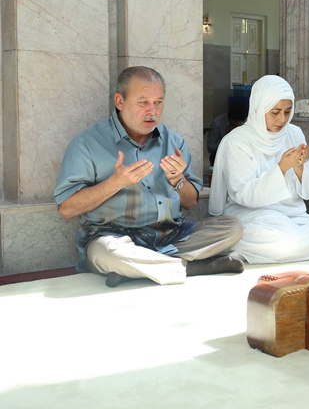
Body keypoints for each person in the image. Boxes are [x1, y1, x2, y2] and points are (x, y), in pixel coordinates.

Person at [55, 66, 245, 288]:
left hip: (171, 236)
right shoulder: (88, 143)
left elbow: (191, 202)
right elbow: (66, 209)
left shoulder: (173, 142)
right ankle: (191, 267)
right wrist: (115, 183)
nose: (152, 111)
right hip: (114, 238)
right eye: (143, 102)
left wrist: (178, 181)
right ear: (120, 101)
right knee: (108, 254)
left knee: (233, 228)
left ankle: (135, 271)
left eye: (158, 102)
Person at [208, 75, 309, 263]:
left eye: (287, 111)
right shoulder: (237, 141)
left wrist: (299, 168)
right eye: (275, 112)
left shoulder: (294, 133)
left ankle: (258, 252)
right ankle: (267, 247)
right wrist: (282, 168)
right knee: (283, 242)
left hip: (294, 217)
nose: (282, 119)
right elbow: (243, 194)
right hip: (254, 217)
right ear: (259, 108)